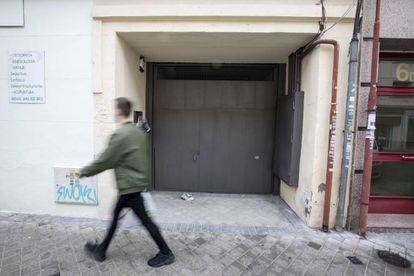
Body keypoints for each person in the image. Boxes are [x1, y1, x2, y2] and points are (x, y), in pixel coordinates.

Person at [79, 97, 174, 268]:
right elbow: (145, 158)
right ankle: (101, 250)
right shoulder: (139, 133)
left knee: (146, 221)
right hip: (132, 186)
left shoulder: (120, 135)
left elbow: (105, 161)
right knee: (116, 216)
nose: (113, 112)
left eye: (114, 109)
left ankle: (166, 253)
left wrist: (85, 172)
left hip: (130, 187)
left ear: (118, 110)